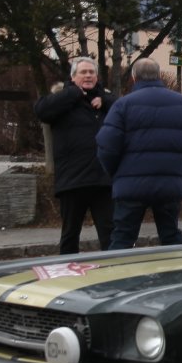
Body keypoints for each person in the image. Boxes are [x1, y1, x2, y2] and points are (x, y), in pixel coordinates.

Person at [96, 57, 182, 249]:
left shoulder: (123, 105)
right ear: (159, 75)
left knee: (123, 236)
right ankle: (179, 267)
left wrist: (115, 172)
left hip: (130, 184)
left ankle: (117, 267)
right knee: (170, 234)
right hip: (170, 182)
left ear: (134, 77)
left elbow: (107, 145)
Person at [33, 56, 115, 254]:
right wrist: (73, 93)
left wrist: (105, 101)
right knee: (70, 234)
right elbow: (42, 111)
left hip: (102, 179)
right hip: (73, 180)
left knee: (110, 233)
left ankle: (114, 267)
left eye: (91, 72)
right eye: (83, 72)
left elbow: (127, 111)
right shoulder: (62, 97)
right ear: (73, 77)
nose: (88, 76)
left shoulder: (105, 99)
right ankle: (67, 266)